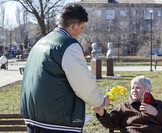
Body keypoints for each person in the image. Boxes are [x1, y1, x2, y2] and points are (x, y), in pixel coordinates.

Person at [20, 4, 109, 133]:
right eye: (82, 27)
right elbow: (83, 85)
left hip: (33, 120)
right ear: (74, 25)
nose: (81, 32)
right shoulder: (68, 45)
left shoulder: (40, 43)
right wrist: (100, 101)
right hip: (57, 122)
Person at [92, 76, 162, 133]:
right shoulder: (124, 106)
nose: (134, 91)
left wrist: (156, 112)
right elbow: (111, 123)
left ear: (147, 90)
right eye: (132, 88)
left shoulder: (159, 105)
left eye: (138, 88)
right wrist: (102, 113)